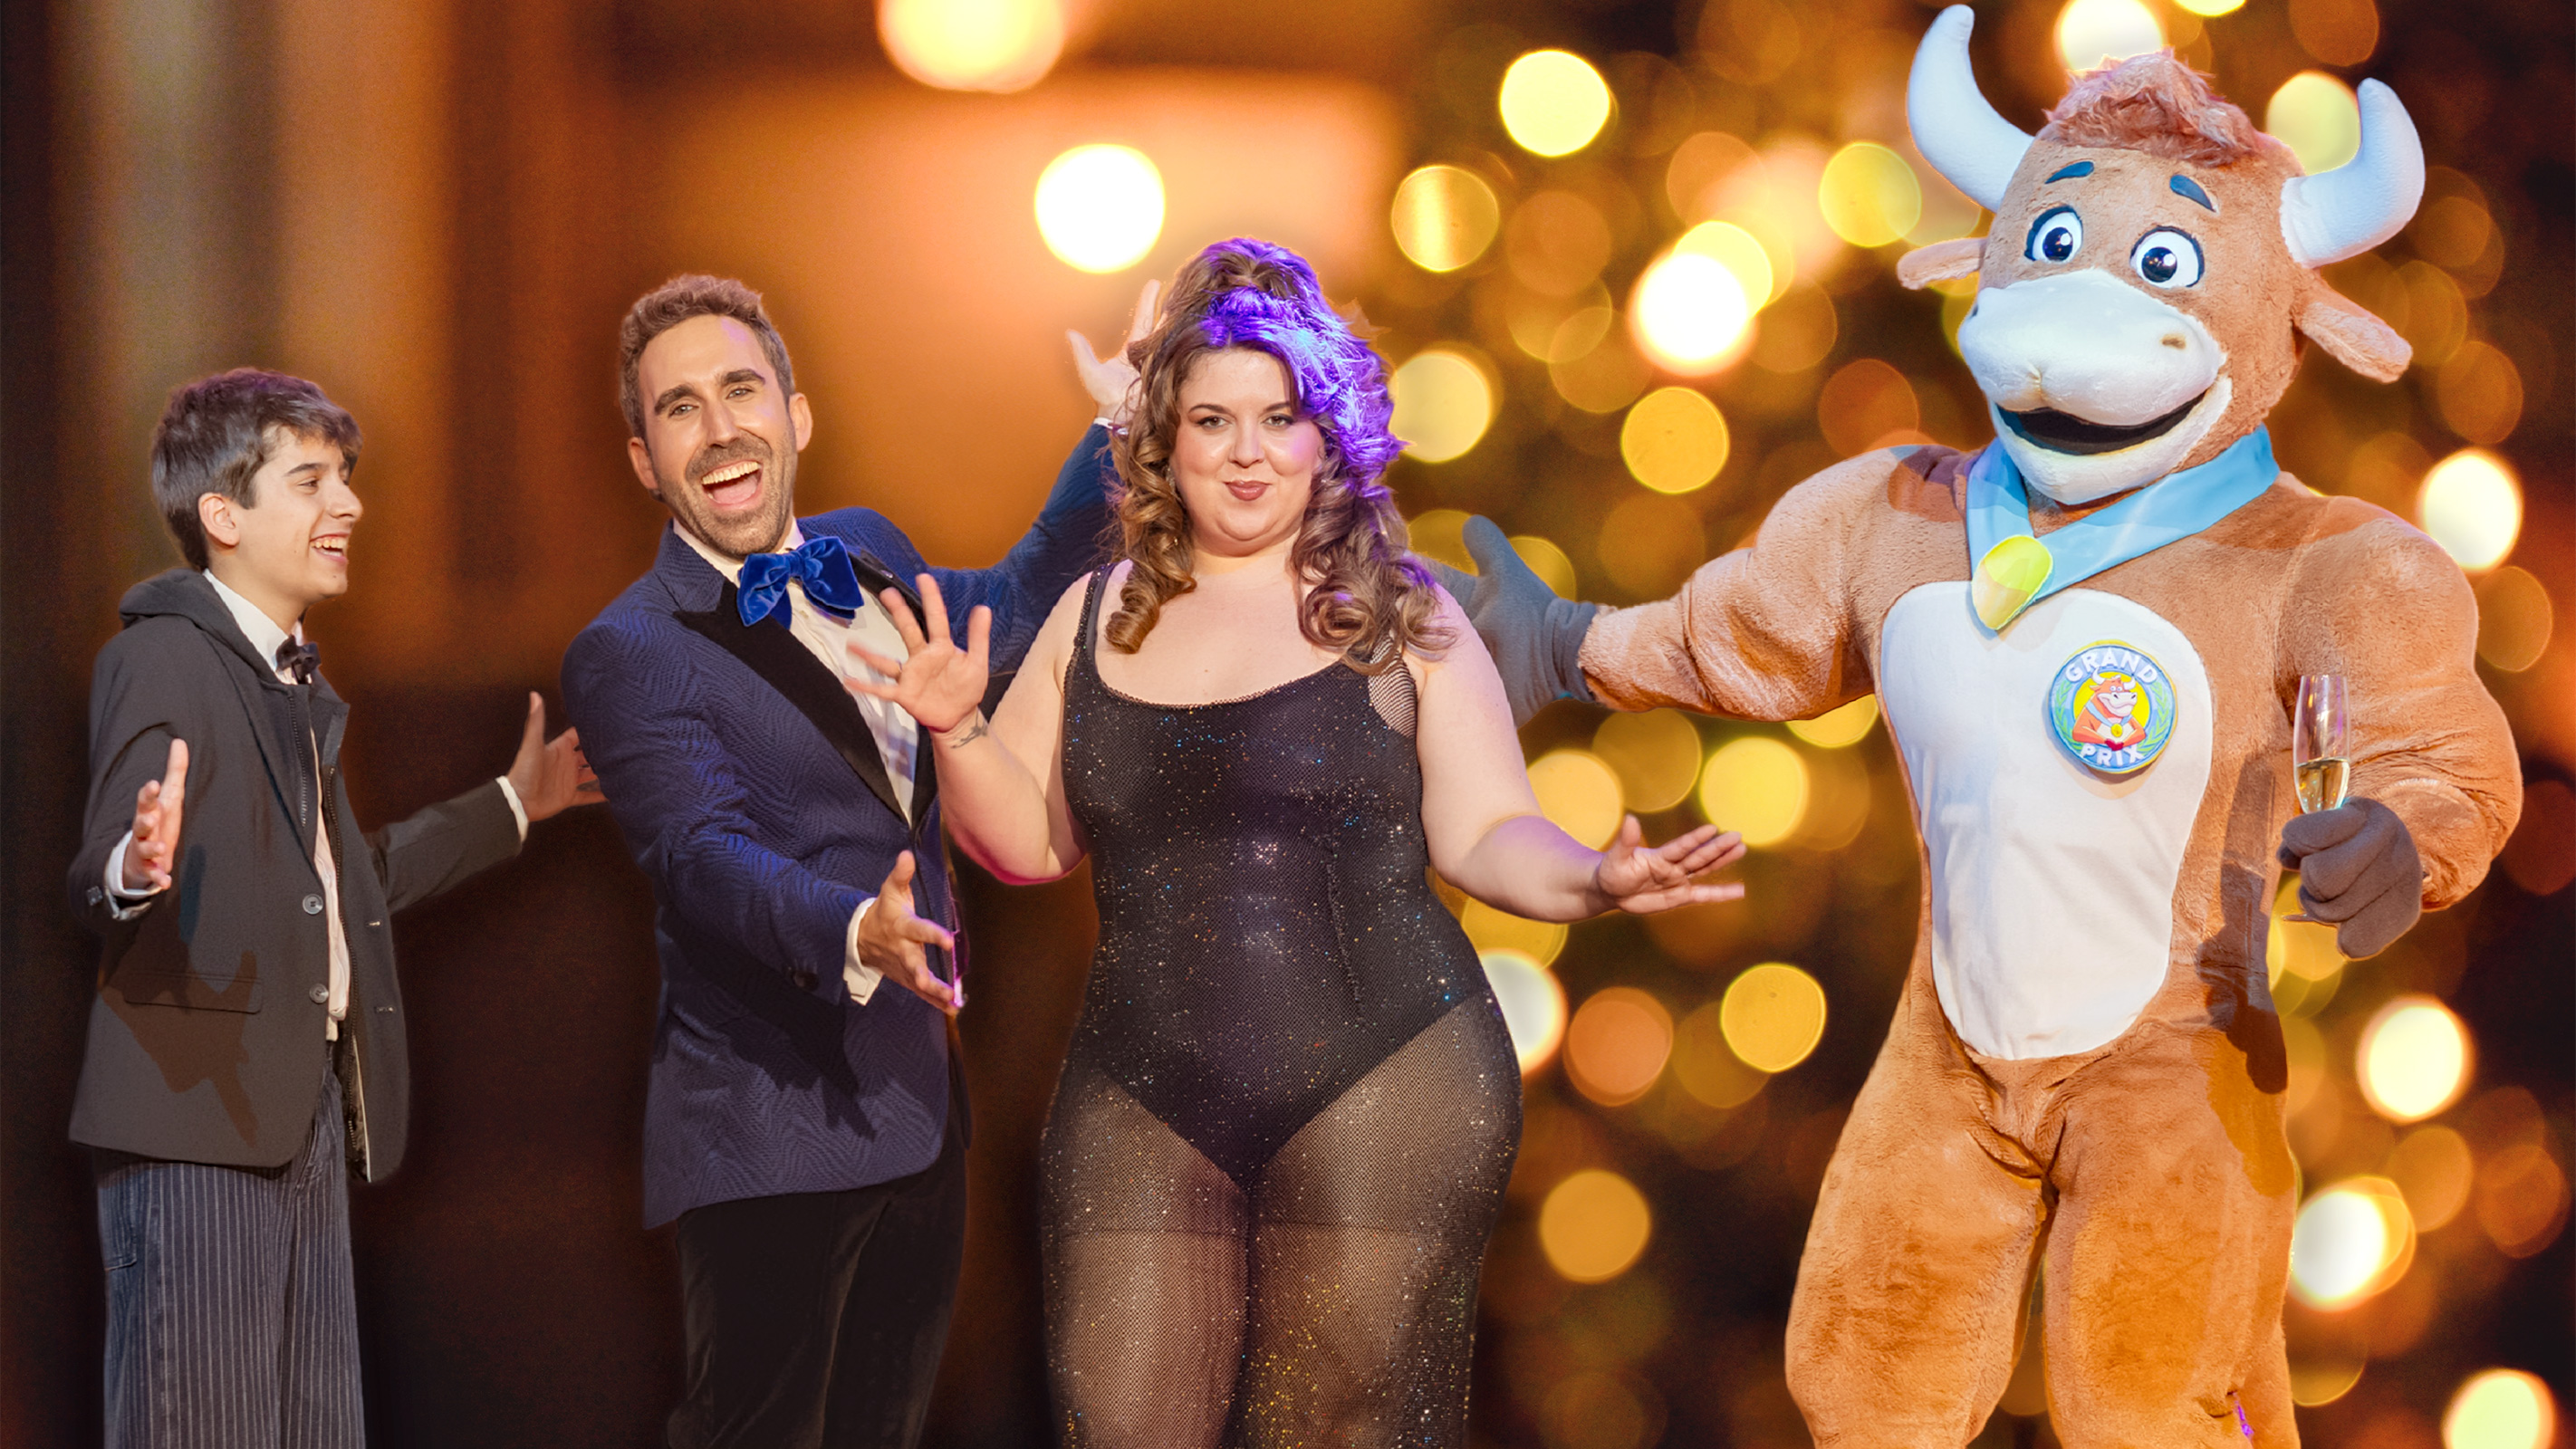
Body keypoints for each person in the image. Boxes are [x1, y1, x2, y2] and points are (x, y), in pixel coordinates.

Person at [1432, 17, 2519, 1444]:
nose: (2071, 336)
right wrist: (1561, 640)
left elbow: (2438, 754)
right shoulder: (1897, 520)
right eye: (2054, 249)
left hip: (2178, 1062)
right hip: (1945, 1051)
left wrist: (2403, 838)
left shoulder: (2316, 567)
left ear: (2273, 309)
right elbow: (1739, 634)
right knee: (1863, 1376)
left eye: (2164, 264)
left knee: (2150, 1397)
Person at [848, 238, 1744, 1448]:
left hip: (1388, 1073)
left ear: (1329, 436)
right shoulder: (1090, 616)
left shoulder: (1401, 613)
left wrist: (1594, 876)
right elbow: (1025, 845)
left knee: (1331, 1426)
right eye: (1212, 420)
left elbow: (1484, 829)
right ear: (1162, 440)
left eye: (1280, 418)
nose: (1247, 452)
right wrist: (956, 730)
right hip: (1140, 1085)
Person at [559, 273, 1143, 1449]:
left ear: (796, 415)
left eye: (741, 391)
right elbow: (701, 857)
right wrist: (852, 928)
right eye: (680, 408)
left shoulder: (867, 552)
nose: (719, 428)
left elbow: (1017, 599)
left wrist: (1119, 422)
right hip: (766, 1124)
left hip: (918, 1105)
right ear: (643, 460)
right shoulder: (628, 649)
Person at [69, 368, 598, 1446]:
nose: (349, 503)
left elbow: (352, 887)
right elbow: (104, 860)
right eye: (311, 481)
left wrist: (512, 805)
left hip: (299, 1110)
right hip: (200, 1121)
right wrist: (134, 860)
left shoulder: (290, 683)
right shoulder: (161, 655)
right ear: (223, 517)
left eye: (344, 477)